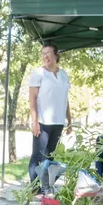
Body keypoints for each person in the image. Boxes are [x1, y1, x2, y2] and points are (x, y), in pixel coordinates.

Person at [28, 43, 71, 184]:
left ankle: (46, 187)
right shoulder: (38, 73)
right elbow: (32, 98)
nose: (45, 56)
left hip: (58, 122)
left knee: (50, 157)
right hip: (42, 121)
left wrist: (69, 120)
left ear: (56, 55)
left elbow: (65, 99)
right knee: (38, 157)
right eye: (43, 53)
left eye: (48, 53)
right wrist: (35, 122)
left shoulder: (64, 75)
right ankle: (34, 189)